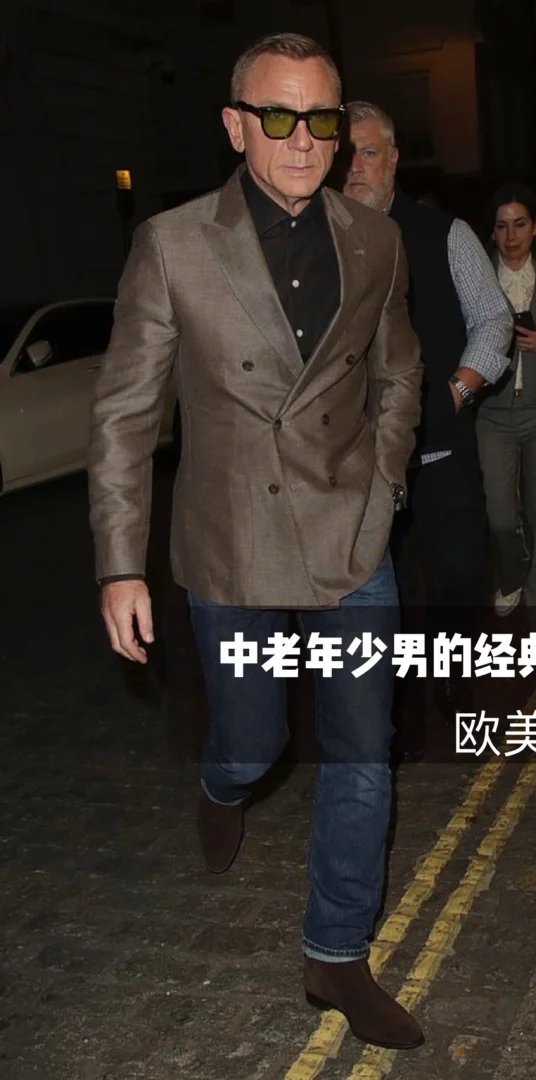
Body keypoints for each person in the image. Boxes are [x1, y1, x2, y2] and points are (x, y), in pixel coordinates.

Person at [87, 34, 425, 1050]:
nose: (302, 139)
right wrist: (119, 564)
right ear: (236, 126)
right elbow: (124, 415)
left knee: (363, 753)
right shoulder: (173, 243)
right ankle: (222, 781)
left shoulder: (375, 240)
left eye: (320, 119)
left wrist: (386, 482)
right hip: (231, 540)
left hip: (350, 536)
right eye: (278, 117)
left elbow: (399, 370)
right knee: (257, 741)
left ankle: (336, 954)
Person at [341, 101, 513, 755]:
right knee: (376, 598)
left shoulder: (445, 235)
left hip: (440, 455)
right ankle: (394, 714)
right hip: (355, 466)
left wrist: (459, 389)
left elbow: (493, 319)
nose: (356, 167)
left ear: (393, 160)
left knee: (457, 582)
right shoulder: (316, 240)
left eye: (369, 152)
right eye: (346, 155)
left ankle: (454, 684)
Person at [477, 184, 536, 619]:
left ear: (535, 227)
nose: (511, 235)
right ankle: (512, 574)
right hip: (492, 412)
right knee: (500, 514)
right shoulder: (478, 278)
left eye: (520, 224)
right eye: (502, 226)